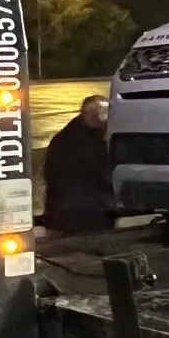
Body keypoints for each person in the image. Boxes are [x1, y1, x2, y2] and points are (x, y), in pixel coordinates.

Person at [42, 95, 115, 234]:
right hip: (79, 215)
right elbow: (97, 172)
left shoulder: (71, 135)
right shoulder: (79, 141)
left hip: (69, 211)